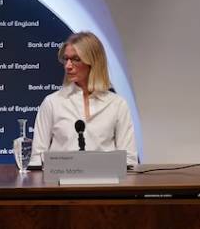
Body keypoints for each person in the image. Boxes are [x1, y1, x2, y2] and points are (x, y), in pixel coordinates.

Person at [32, 31, 138, 166]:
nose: (68, 66)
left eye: (76, 59)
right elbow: (37, 159)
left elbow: (129, 161)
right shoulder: (52, 103)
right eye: (66, 59)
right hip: (60, 185)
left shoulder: (117, 104)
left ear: (93, 62)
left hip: (106, 185)